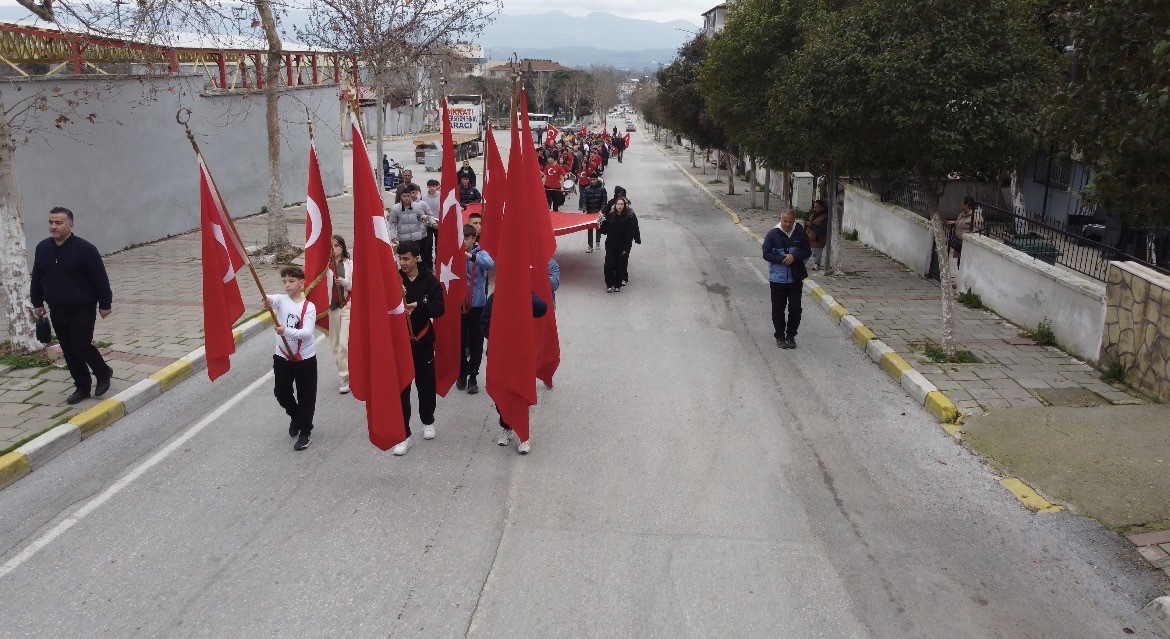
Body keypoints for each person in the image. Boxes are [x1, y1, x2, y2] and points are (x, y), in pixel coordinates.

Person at [30, 206, 114, 405]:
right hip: (57, 309)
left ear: (71, 224)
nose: (54, 227)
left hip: (82, 307)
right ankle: (82, 387)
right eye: (51, 222)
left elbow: (100, 279)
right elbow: (37, 277)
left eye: (58, 223)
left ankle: (103, 372)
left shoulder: (85, 249)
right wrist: (37, 302)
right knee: (68, 350)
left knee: (81, 344)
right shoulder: (42, 248)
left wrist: (105, 303)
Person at [480, 291, 548, 455]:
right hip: (500, 355)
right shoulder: (494, 298)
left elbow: (542, 309)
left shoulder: (526, 294)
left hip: (520, 356)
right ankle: (506, 426)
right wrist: (501, 335)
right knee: (502, 393)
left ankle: (523, 435)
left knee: (520, 393)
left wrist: (524, 297)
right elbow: (484, 325)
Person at [395, 240, 445, 456]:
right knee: (401, 389)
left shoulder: (430, 281)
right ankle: (404, 434)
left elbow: (439, 309)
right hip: (400, 344)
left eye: (406, 258)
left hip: (422, 342)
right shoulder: (395, 280)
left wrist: (420, 307)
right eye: (400, 258)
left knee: (425, 384)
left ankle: (428, 420)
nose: (402, 262)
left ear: (416, 258)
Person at [263, 266, 318, 451]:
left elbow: (307, 333)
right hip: (282, 356)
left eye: (291, 281)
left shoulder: (308, 307)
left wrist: (285, 331)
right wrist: (267, 300)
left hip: (305, 359)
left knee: (306, 396)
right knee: (281, 393)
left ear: (301, 283)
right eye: (284, 281)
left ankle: (305, 432)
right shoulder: (282, 300)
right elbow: (271, 298)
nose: (287, 285)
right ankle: (297, 417)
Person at [763, 211, 811, 349]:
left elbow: (807, 251)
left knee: (795, 309)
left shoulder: (800, 233)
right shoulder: (772, 234)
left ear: (794, 221)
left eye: (790, 222)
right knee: (778, 309)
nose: (788, 224)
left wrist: (794, 257)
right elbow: (766, 254)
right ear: (781, 219)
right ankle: (779, 336)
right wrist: (782, 259)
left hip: (795, 279)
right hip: (777, 279)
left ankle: (791, 336)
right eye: (785, 221)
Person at [458, 224, 495, 394]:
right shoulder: (454, 253)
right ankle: (462, 372)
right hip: (459, 306)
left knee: (476, 344)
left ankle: (473, 375)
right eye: (461, 238)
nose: (463, 241)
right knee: (459, 344)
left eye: (466, 238)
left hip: (477, 306)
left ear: (473, 239)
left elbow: (489, 264)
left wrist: (469, 256)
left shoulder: (480, 253)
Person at [327, 235, 352, 394]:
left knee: (344, 343)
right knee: (335, 344)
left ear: (342, 247)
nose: (334, 249)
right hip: (332, 308)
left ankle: (346, 376)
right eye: (332, 246)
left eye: (337, 245)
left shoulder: (349, 264)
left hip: (347, 305)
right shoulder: (325, 267)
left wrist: (344, 283)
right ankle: (343, 373)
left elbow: (357, 284)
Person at [599, 197, 640, 292]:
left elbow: (629, 234)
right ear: (615, 205)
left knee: (619, 265)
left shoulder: (628, 217)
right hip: (610, 245)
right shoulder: (610, 215)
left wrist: (626, 247)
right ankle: (609, 284)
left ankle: (617, 284)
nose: (619, 206)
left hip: (621, 246)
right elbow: (604, 230)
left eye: (622, 204)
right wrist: (599, 223)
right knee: (609, 264)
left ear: (624, 206)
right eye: (618, 204)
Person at [386, 186, 433, 269]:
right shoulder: (395, 209)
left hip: (416, 237)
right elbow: (392, 223)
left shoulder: (417, 206)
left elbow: (420, 216)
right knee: (405, 257)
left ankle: (419, 272)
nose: (406, 198)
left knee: (416, 258)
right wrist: (393, 236)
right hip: (404, 238)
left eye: (408, 196)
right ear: (401, 197)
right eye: (404, 196)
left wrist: (424, 217)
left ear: (411, 196)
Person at [947, 196, 983, 267]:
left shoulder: (976, 217)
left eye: (962, 203)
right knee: (959, 264)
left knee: (964, 265)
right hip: (959, 244)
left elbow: (977, 233)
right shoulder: (963, 214)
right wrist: (955, 223)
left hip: (967, 247)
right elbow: (961, 223)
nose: (961, 205)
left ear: (966, 205)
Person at [580, 174, 608, 253]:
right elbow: (584, 201)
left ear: (597, 179)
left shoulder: (602, 189)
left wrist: (602, 210)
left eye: (594, 179)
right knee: (589, 229)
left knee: (598, 227)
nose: (592, 181)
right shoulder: (587, 189)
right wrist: (585, 209)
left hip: (598, 212)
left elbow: (604, 202)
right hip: (589, 212)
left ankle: (598, 241)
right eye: (591, 180)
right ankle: (590, 246)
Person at [807, 200, 829, 270]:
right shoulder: (813, 215)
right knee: (806, 252)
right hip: (809, 238)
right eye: (814, 207)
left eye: (817, 208)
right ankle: (801, 263)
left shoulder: (825, 217)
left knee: (816, 253)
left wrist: (812, 226)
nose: (815, 209)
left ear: (822, 208)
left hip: (818, 239)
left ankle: (817, 264)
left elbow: (822, 230)